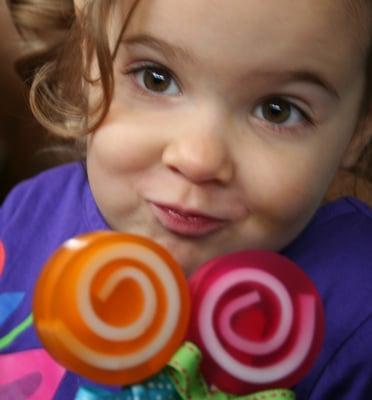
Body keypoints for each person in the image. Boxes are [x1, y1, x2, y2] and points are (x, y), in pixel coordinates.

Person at [1, 0, 372, 398]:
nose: (198, 159)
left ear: (358, 132)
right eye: (156, 78)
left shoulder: (359, 311)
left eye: (277, 111)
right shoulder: (27, 215)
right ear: (89, 58)